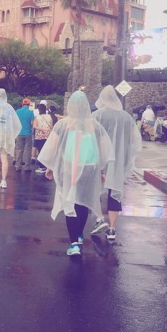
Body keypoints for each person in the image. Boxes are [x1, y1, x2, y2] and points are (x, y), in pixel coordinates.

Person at [38, 91, 113, 256]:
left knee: (69, 203)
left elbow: (52, 148)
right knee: (83, 201)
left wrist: (50, 167)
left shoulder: (63, 125)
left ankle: (74, 244)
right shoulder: (95, 126)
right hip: (89, 168)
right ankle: (78, 235)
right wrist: (101, 171)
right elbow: (102, 150)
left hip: (69, 167)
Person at [90, 85, 142, 241]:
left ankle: (99, 219)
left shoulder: (97, 115)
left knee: (95, 189)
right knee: (115, 192)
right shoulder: (126, 117)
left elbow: (91, 138)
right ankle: (112, 229)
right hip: (119, 160)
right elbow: (134, 139)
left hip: (100, 158)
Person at [32, 103, 53, 174]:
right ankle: (46, 167)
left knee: (40, 152)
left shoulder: (37, 117)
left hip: (39, 136)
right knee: (46, 152)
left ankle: (42, 167)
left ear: (39, 110)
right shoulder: (49, 116)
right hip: (47, 136)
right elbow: (51, 126)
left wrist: (42, 128)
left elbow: (34, 126)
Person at [14, 98, 34, 172]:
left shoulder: (17, 111)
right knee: (28, 150)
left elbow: (15, 122)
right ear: (29, 105)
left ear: (22, 104)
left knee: (19, 150)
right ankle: (27, 167)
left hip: (19, 133)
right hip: (28, 133)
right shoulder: (30, 112)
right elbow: (32, 123)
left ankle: (18, 166)